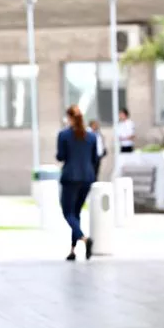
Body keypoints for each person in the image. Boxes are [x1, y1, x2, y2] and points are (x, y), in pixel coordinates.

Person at [57, 105, 98, 261]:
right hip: (87, 178)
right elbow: (95, 159)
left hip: (70, 178)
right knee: (76, 213)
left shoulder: (64, 135)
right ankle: (73, 250)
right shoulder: (92, 136)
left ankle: (84, 239)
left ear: (69, 118)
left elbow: (61, 156)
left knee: (68, 213)